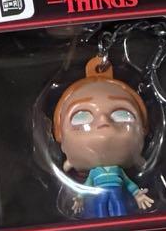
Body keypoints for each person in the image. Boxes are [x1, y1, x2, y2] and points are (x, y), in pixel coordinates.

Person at [52, 58, 155, 218]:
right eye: (81, 117)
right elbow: (86, 187)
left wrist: (138, 195)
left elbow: (129, 184)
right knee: (99, 207)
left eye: (122, 114)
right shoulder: (94, 174)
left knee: (119, 207)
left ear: (143, 130)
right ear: (60, 136)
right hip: (99, 200)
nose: (103, 123)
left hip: (118, 196)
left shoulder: (118, 171)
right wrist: (79, 198)